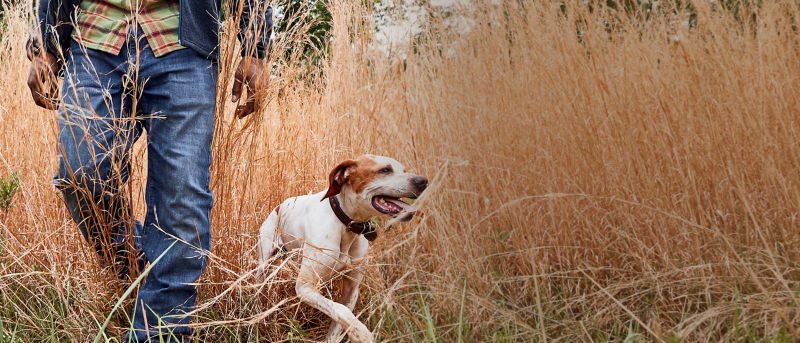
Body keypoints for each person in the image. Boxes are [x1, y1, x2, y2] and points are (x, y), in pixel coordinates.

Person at [26, 0, 272, 341]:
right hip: (95, 36)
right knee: (80, 174)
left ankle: (161, 331)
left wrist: (256, 47)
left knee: (182, 197)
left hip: (181, 43)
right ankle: (143, 271)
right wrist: (45, 45)